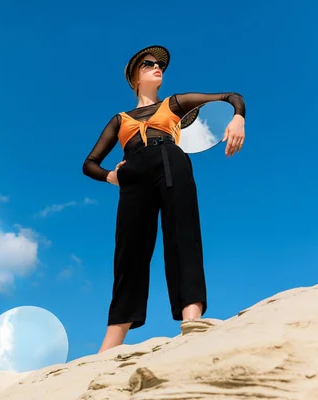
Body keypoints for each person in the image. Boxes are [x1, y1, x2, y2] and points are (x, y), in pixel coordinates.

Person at [82, 45, 246, 353]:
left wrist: (238, 118)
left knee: (183, 236)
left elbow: (231, 97)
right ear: (135, 77)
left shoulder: (174, 103)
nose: (158, 68)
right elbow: (88, 163)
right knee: (128, 255)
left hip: (170, 160)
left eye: (161, 65)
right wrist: (111, 176)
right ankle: (111, 343)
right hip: (132, 175)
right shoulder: (119, 119)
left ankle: (192, 321)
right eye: (149, 64)